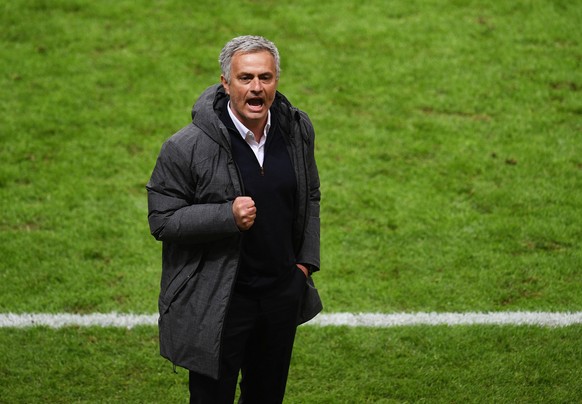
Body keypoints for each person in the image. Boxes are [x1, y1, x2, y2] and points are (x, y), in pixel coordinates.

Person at [146, 35, 322, 403]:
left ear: (276, 80)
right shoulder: (186, 146)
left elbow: (309, 195)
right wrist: (226, 215)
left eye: (265, 77)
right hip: (219, 301)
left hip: (279, 294)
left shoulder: (296, 131)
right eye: (245, 78)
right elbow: (162, 219)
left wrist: (304, 266)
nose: (256, 88)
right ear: (226, 84)